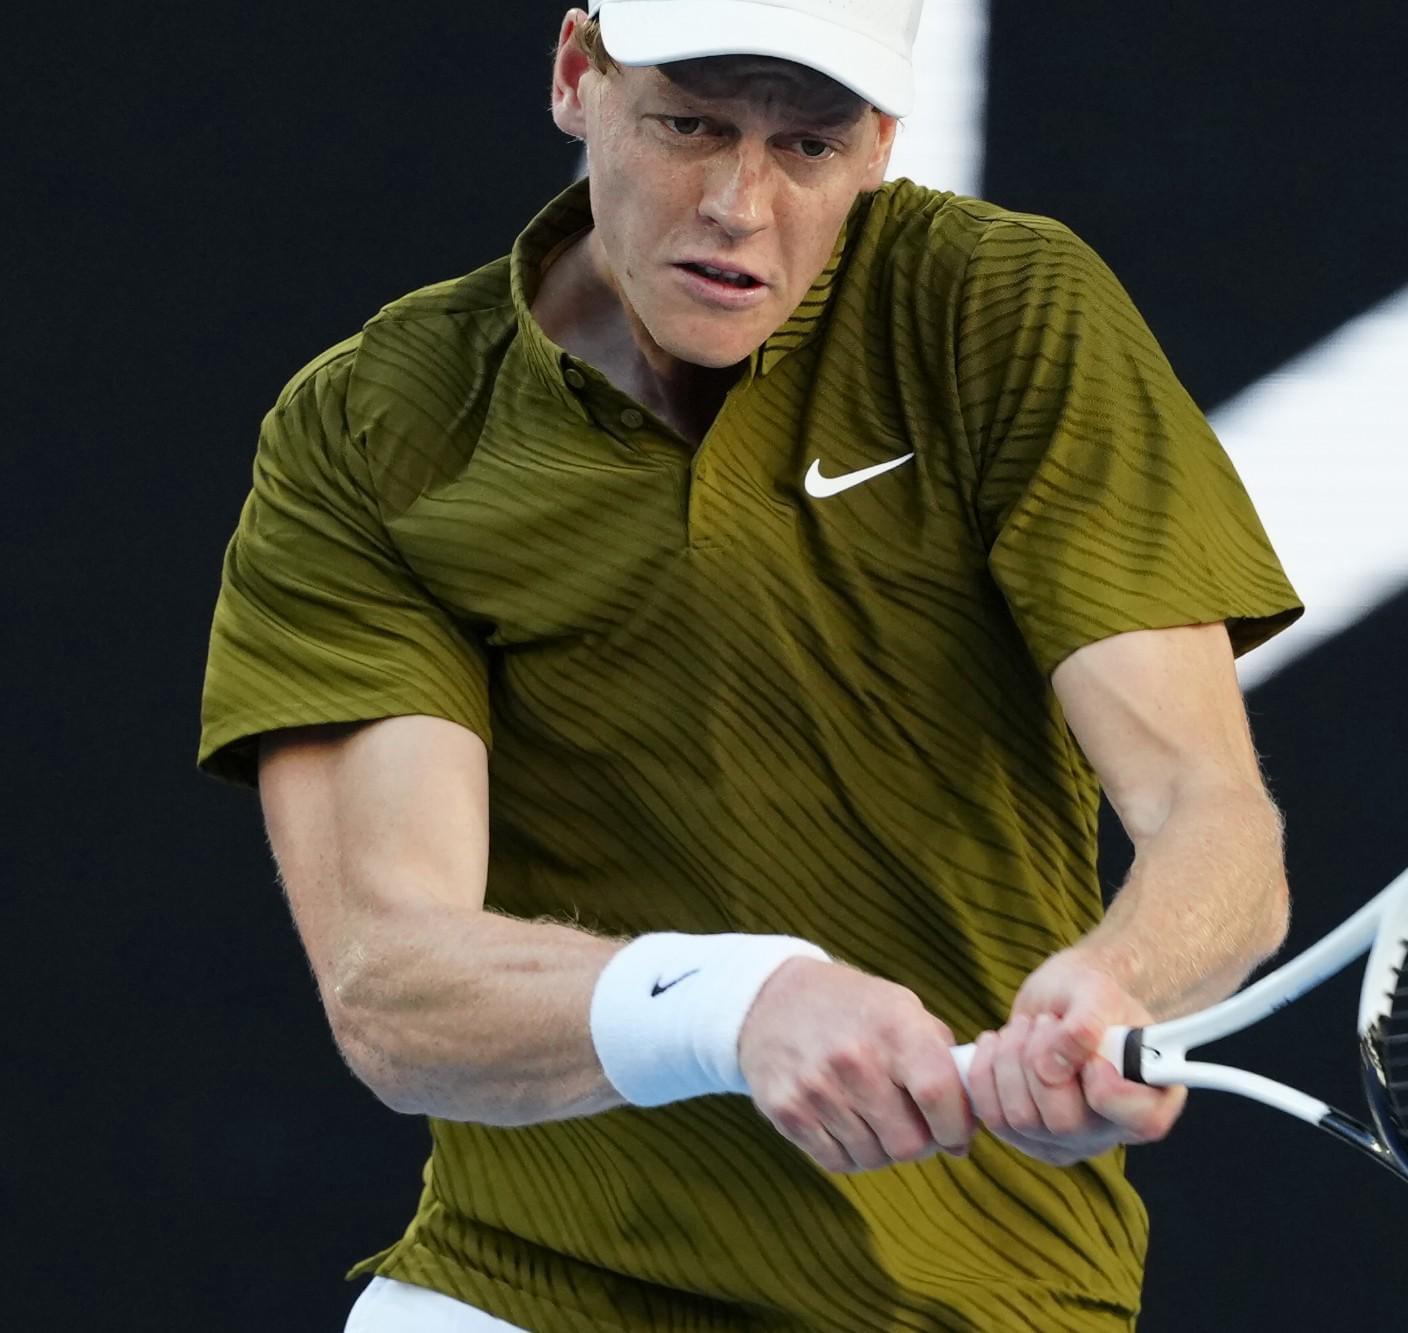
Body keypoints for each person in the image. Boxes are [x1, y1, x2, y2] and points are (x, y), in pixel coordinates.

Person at [198, 0, 1303, 1327]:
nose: (738, 204)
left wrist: (1115, 981)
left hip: (987, 1296)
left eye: (808, 145)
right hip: (527, 1288)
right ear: (577, 74)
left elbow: (1213, 820)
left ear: (880, 144)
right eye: (690, 124)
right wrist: (737, 1001)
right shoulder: (372, 425)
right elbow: (394, 984)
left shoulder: (999, 308)